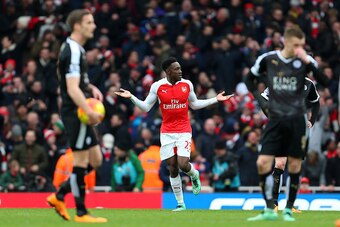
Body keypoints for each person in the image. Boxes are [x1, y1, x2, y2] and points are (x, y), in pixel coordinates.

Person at [115, 57, 233, 211]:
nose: (180, 71)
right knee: (172, 167)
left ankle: (194, 174)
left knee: (183, 164)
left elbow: (195, 104)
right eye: (177, 69)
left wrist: (215, 100)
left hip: (184, 130)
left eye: (180, 68)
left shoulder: (187, 84)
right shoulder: (157, 87)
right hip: (167, 132)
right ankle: (181, 203)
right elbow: (145, 107)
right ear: (168, 71)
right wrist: (131, 97)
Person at [244, 26, 328, 221]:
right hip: (275, 121)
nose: (300, 48)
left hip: (297, 121)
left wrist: (308, 61)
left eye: (302, 44)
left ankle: (288, 208)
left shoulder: (306, 64)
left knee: (294, 165)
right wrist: (262, 101)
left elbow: (324, 80)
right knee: (262, 162)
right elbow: (250, 80)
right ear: (286, 41)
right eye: (297, 44)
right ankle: (269, 208)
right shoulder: (268, 59)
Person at [46, 9, 107, 223]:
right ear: (78, 26)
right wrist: (89, 111)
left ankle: (60, 195)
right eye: (89, 22)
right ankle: (81, 212)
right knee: (81, 161)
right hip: (77, 112)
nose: (94, 26)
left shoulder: (73, 47)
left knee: (97, 159)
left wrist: (89, 87)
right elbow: (71, 89)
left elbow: (64, 76)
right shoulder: (73, 49)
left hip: (77, 108)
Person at [260, 77, 320, 213]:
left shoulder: (308, 84)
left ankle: (290, 205)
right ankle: (274, 204)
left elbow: (316, 103)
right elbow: (263, 97)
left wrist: (312, 120)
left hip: (298, 129)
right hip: (280, 127)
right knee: (280, 164)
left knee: (295, 166)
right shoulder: (280, 78)